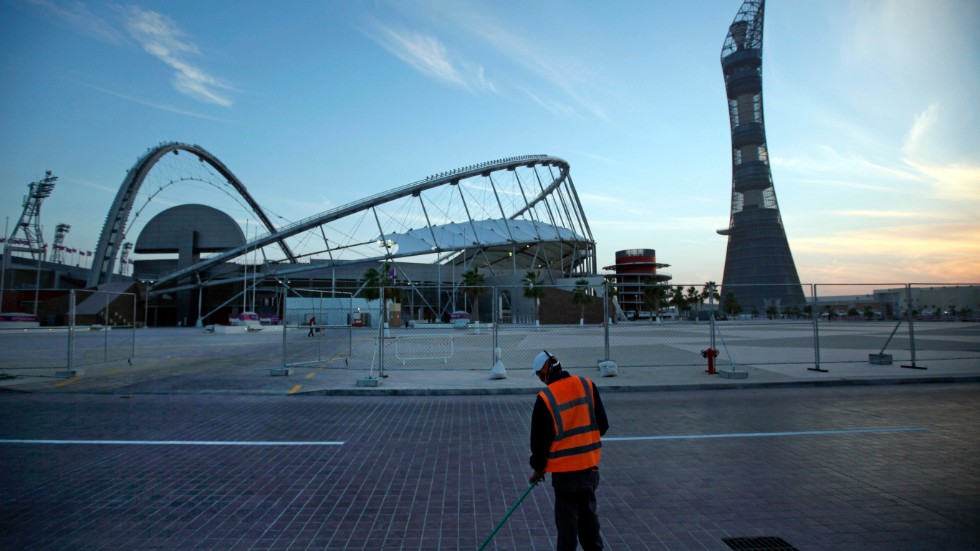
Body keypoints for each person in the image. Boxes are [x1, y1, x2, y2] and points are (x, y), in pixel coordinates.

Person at [529, 350, 609, 550]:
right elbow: (603, 425)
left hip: (565, 476)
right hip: (589, 470)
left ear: (547, 371)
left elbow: (539, 443)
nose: (541, 380)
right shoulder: (587, 385)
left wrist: (538, 469)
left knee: (567, 528)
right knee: (589, 524)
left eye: (540, 375)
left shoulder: (545, 398)